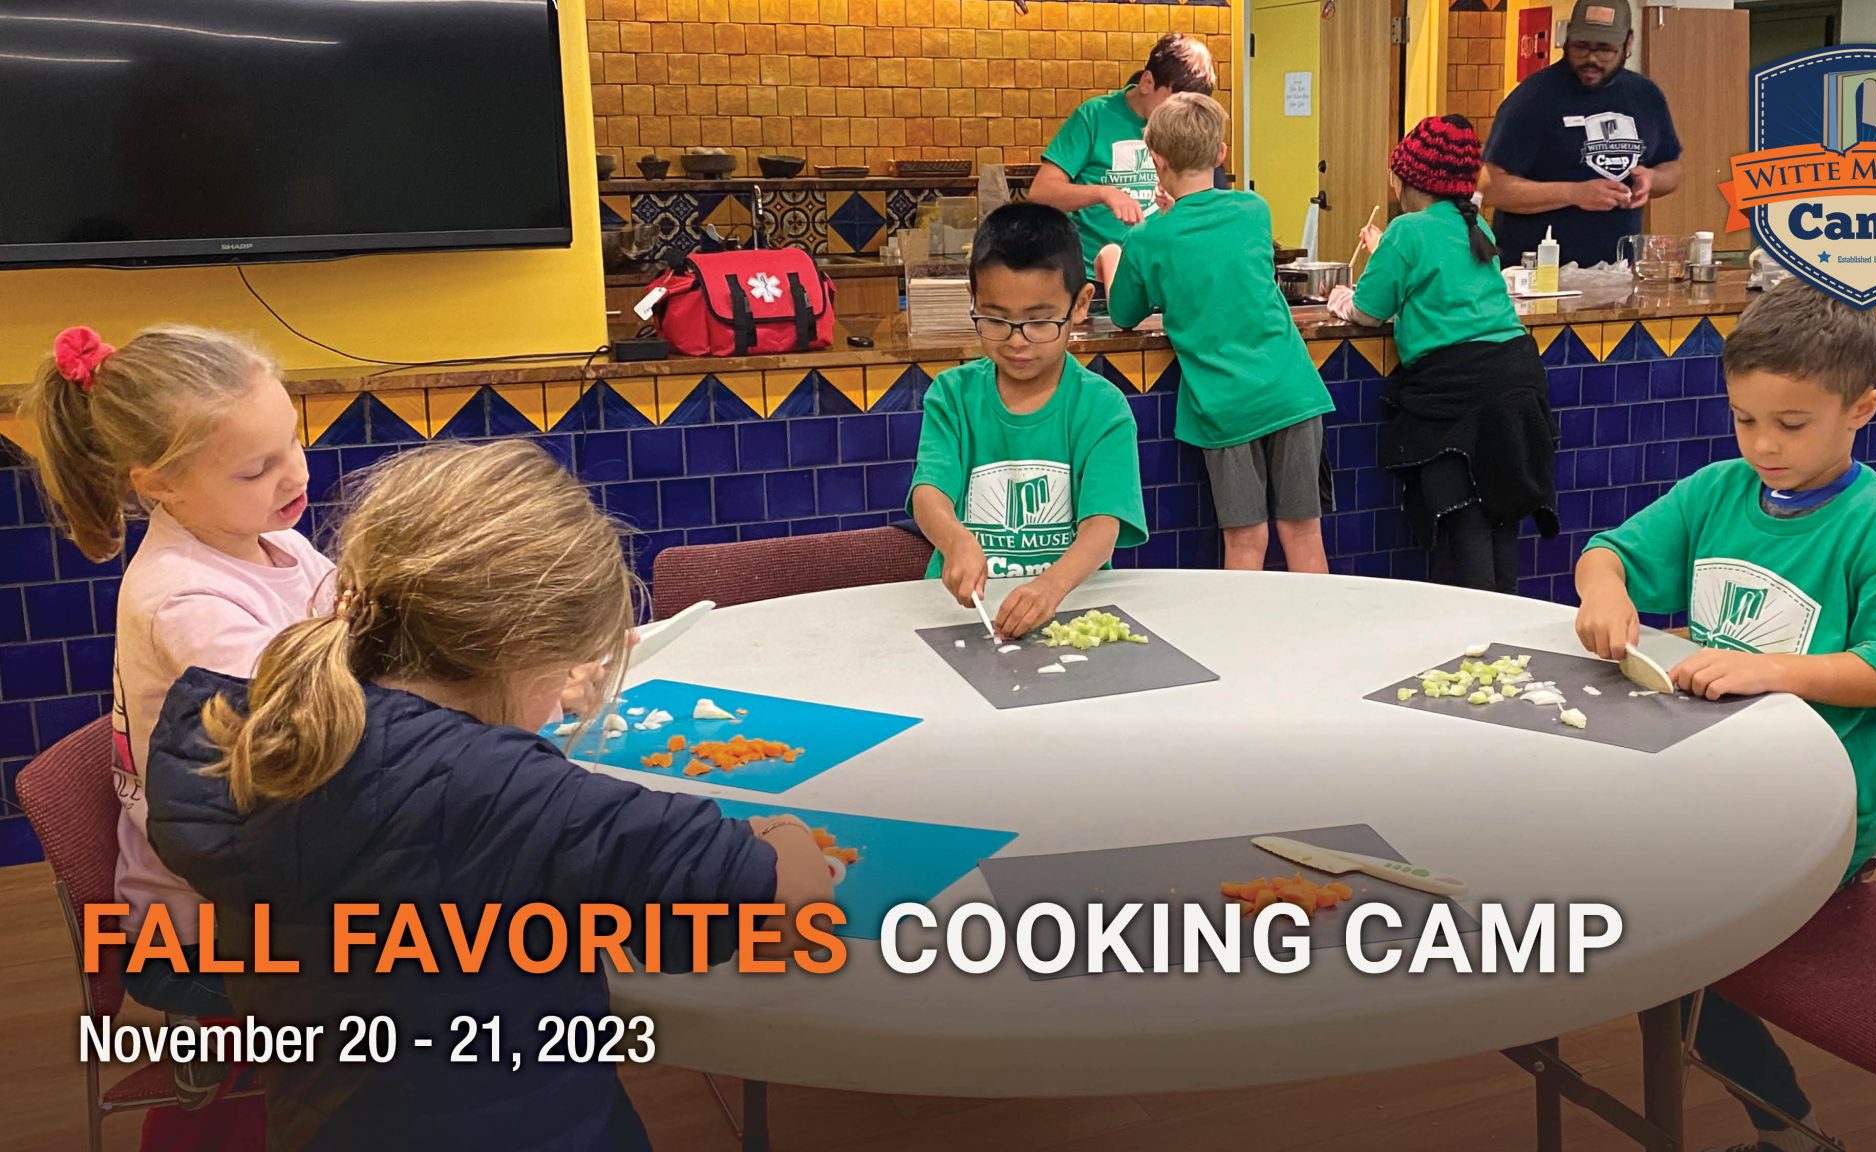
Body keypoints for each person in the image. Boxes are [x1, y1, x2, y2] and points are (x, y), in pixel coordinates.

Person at [145, 440, 836, 1152]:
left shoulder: (246, 730)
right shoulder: (506, 792)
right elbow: (789, 908)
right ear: (528, 648)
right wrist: (783, 831)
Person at [1574, 279, 1876, 1152]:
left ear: (1862, 409)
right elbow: (1608, 553)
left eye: (1791, 423)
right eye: (1745, 420)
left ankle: (1791, 1130)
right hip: (1713, 789)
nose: (1763, 445)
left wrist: (1769, 669)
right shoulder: (1717, 493)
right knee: (1604, 904)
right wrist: (1604, 596)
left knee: (1662, 952)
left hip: (1817, 822)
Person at [26, 323, 329, 1132]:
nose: (295, 474)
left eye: (293, 441)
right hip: (199, 937)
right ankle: (220, 1039)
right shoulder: (185, 601)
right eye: (257, 467)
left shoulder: (277, 546)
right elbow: (327, 719)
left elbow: (357, 628)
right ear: (159, 484)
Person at [1096, 93, 1335, 572]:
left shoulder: (1148, 239)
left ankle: (1240, 646)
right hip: (1292, 391)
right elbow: (1215, 248)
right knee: (1304, 533)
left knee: (1247, 541)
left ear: (1155, 161)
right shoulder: (1254, 209)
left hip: (1226, 406)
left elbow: (1123, 311)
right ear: (1221, 154)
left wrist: (1111, 255)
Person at [1325, 115, 1558, 593]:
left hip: (1456, 392)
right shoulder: (1475, 226)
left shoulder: (1407, 231)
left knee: (1465, 521)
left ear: (1407, 180)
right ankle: (1506, 641)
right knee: (1503, 515)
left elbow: (1368, 312)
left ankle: (1474, 643)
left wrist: (1339, 299)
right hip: (1518, 378)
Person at [909, 202, 1148, 639]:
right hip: (965, 616)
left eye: (1039, 322)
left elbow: (1103, 527)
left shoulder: (1102, 408)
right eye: (996, 320)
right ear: (974, 300)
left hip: (1071, 611)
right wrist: (956, 542)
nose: (1017, 342)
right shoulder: (952, 396)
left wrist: (1051, 586)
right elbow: (930, 494)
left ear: (1080, 305)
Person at [1481, 0, 1683, 269]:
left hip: (1618, 271)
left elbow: (1673, 167)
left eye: (1605, 50)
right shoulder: (1533, 98)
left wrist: (1652, 179)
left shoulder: (1646, 96)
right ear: (1566, 41)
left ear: (1628, 44)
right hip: (1536, 275)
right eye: (1581, 46)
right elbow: (1489, 186)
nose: (1591, 58)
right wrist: (1572, 193)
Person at [1028, 31, 1217, 267]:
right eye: (1172, 105)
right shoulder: (1094, 116)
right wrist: (1105, 193)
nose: (1177, 118)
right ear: (1148, 82)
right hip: (1091, 271)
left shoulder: (1183, 126)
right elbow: (1041, 193)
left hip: (1157, 268)